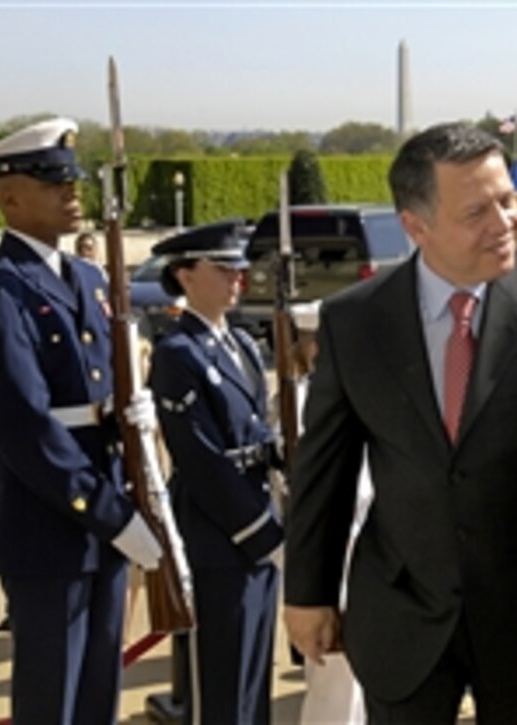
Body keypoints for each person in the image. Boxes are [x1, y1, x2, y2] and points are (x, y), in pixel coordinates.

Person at [283, 122, 517, 724]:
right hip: (401, 619)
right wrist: (308, 592)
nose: (504, 223)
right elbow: (324, 471)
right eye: (476, 212)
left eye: (508, 200)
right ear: (416, 226)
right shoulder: (355, 323)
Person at [0, 117, 162, 723]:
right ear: (9, 198)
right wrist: (112, 515)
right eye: (52, 183)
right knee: (53, 699)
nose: (72, 193)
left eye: (72, 181)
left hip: (105, 510)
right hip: (46, 523)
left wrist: (130, 414)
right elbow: (22, 426)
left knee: (98, 694)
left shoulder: (91, 279)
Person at [148, 220, 284, 725]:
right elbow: (201, 458)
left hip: (258, 520)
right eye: (223, 269)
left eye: (239, 269)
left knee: (253, 678)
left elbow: (258, 432)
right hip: (219, 533)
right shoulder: (177, 354)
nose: (238, 279)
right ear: (185, 276)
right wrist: (260, 532)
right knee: (221, 687)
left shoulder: (242, 344)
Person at [284, 301, 371, 725]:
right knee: (335, 683)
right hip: (333, 545)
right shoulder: (299, 398)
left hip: (367, 543)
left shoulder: (360, 390)